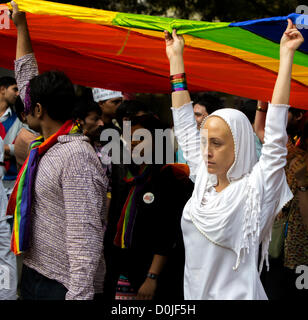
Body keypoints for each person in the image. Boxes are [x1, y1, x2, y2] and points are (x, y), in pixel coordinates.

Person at [164, 17, 303, 299]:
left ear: (238, 146)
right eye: (204, 143)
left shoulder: (256, 189)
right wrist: (175, 58)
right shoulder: (203, 178)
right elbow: (183, 121)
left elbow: (275, 138)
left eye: (216, 143)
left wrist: (286, 56)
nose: (206, 151)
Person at [7, 2, 108, 300]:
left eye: (29, 105)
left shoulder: (76, 156)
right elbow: (27, 78)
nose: (24, 108)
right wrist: (21, 25)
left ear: (38, 110)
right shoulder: (48, 144)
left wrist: (78, 295)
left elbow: (85, 236)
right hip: (36, 270)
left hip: (63, 285)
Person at [103, 113, 193, 301]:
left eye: (141, 138)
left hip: (153, 274)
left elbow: (167, 232)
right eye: (131, 138)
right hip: (129, 267)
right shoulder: (133, 175)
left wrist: (152, 277)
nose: (134, 143)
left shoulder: (168, 178)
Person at [0, 76, 24, 196]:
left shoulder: (19, 120)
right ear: (3, 89)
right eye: (14, 89)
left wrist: (4, 149)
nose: (18, 93)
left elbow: (23, 148)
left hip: (11, 186)